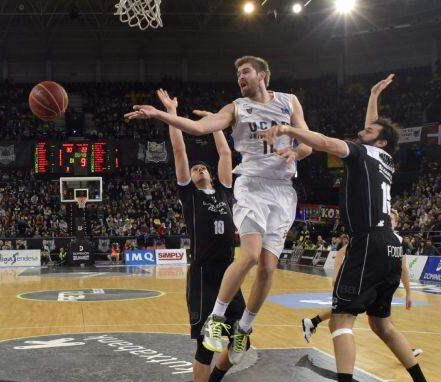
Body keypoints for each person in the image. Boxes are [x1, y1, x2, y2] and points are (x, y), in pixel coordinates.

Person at [262, 74, 441, 382]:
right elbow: (372, 131)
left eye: (371, 129)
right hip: (391, 246)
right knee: (382, 325)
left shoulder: (362, 152)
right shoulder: (385, 160)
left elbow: (327, 143)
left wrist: (291, 130)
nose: (364, 130)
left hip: (369, 243)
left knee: (341, 318)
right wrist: (373, 96)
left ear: (383, 141)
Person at [126, 55, 312, 362]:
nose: (240, 77)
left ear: (262, 74)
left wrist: (296, 153)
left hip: (282, 191)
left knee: (267, 267)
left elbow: (307, 141)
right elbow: (198, 128)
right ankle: (216, 317)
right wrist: (160, 114)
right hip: (251, 185)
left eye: (245, 72)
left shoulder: (290, 102)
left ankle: (245, 327)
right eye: (238, 73)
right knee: (250, 255)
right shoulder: (235, 107)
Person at [157, 89, 246, 382]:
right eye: (193, 170)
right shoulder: (189, 196)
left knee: (241, 340)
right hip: (205, 274)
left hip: (230, 272)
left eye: (200, 168)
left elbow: (225, 155)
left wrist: (215, 124)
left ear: (209, 173)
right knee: (207, 343)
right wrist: (171, 112)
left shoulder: (223, 188)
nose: (196, 170)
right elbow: (179, 148)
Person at [301, 209, 423, 358]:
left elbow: (403, 268)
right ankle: (406, 352)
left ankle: (312, 322)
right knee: (350, 313)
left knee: (380, 321)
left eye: (392, 219)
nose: (389, 221)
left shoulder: (398, 241)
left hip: (380, 284)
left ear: (396, 223)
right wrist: (336, 276)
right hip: (362, 280)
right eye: (387, 219)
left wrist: (409, 293)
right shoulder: (371, 235)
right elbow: (340, 253)